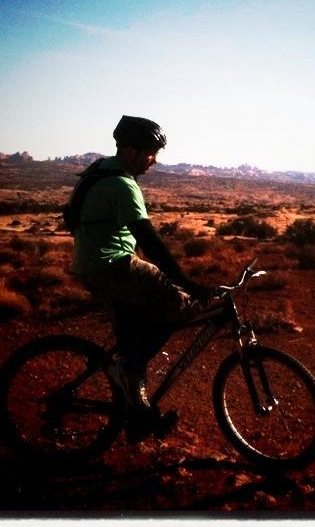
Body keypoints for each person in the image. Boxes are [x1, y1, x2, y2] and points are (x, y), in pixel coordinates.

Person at [72, 115, 214, 441]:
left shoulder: (100, 170)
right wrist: (187, 283)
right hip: (114, 267)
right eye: (151, 153)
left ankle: (136, 417)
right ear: (132, 151)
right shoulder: (122, 183)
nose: (154, 161)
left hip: (90, 267)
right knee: (180, 305)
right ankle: (130, 374)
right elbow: (148, 240)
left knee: (131, 343)